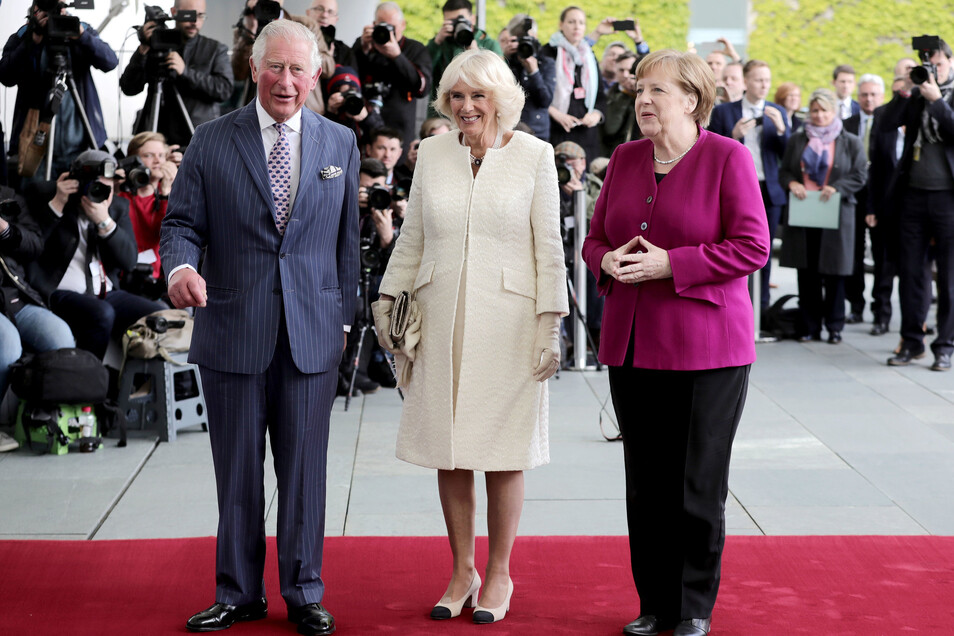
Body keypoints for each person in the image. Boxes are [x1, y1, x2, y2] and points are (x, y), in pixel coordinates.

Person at [160, 19, 359, 635]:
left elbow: (346, 244)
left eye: (299, 69)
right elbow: (179, 225)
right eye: (275, 66)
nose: (286, 80)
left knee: (305, 472)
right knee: (238, 471)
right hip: (232, 330)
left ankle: (304, 593)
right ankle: (239, 592)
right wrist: (181, 269)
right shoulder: (211, 140)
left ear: (315, 74)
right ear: (252, 68)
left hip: (312, 336)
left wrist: (346, 323)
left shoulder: (340, 144)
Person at [373, 49, 567, 625]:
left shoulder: (535, 156)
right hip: (438, 318)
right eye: (456, 96)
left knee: (504, 453)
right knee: (449, 449)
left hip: (511, 323)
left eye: (477, 96)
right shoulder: (431, 153)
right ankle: (462, 569)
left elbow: (548, 248)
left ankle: (501, 571)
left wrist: (549, 326)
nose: (465, 107)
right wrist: (387, 301)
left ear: (501, 99)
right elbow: (412, 239)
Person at [581, 49, 769, 636]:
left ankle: (691, 607)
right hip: (634, 345)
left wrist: (673, 264)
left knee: (696, 481)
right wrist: (606, 259)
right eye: (640, 89)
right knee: (647, 481)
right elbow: (593, 242)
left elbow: (752, 246)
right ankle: (654, 603)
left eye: (657, 90)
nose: (643, 100)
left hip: (707, 348)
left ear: (691, 99)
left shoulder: (728, 158)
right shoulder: (624, 157)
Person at [27, 151, 166, 360]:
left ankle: (132, 384)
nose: (102, 192)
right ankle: (88, 380)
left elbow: (128, 261)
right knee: (102, 313)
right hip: (58, 291)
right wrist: (57, 204)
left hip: (106, 291)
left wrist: (105, 223)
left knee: (159, 314)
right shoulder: (50, 195)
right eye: (96, 184)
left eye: (108, 185)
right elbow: (31, 246)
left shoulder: (117, 207)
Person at [880, 38, 954, 371]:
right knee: (911, 272)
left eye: (937, 62)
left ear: (950, 62)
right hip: (912, 195)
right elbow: (886, 123)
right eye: (928, 62)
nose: (932, 68)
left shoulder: (941, 96)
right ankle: (912, 341)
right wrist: (907, 89)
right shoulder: (917, 91)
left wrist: (937, 101)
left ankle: (945, 346)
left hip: (948, 198)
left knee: (949, 276)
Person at [779, 88, 867, 343]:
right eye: (815, 110)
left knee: (835, 272)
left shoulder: (849, 141)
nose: (819, 115)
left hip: (836, 213)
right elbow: (784, 171)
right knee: (807, 273)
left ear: (834, 112)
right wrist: (792, 183)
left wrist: (838, 187)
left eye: (824, 110)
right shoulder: (798, 139)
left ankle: (835, 326)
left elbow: (860, 174)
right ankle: (809, 326)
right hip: (805, 212)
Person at [0, 1, 118, 180]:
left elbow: (110, 62)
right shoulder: (24, 35)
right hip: (34, 149)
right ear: (35, 10)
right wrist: (33, 41)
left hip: (80, 147)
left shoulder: (80, 30)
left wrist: (80, 35)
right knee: (37, 202)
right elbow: (6, 76)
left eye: (59, 7)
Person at [709, 59, 789, 316]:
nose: (764, 85)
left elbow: (789, 156)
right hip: (734, 190)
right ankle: (735, 308)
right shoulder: (724, 112)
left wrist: (781, 130)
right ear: (745, 81)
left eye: (767, 80)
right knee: (733, 248)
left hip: (768, 188)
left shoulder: (777, 110)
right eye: (758, 80)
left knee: (763, 251)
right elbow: (711, 150)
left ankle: (762, 309)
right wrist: (732, 136)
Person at [0, 185, 76, 417]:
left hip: (15, 296)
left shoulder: (8, 196)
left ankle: (43, 418)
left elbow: (35, 245)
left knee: (61, 337)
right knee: (8, 343)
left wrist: (4, 229)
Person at [119, 0, 233, 148]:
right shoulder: (154, 44)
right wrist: (143, 49)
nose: (195, 21)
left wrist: (185, 72)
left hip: (196, 137)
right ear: (174, 13)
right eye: (189, 15)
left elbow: (224, 90)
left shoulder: (215, 49)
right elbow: (129, 88)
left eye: (201, 16)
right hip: (156, 137)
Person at [352, 2, 432, 155]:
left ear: (403, 25)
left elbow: (422, 88)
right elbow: (350, 75)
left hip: (399, 132)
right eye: (382, 26)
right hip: (364, 128)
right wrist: (362, 49)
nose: (387, 32)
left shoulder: (415, 49)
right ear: (374, 24)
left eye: (392, 27)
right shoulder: (364, 45)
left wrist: (397, 56)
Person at [232, 0, 335, 112]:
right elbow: (238, 74)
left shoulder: (306, 24)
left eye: (296, 68)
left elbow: (328, 68)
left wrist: (303, 50)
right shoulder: (245, 30)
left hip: (308, 108)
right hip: (259, 110)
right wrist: (249, 32)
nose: (286, 81)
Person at [844, 74, 886, 324]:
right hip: (853, 196)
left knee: (882, 255)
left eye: (873, 94)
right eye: (864, 95)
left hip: (881, 196)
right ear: (858, 98)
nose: (869, 99)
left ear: (881, 97)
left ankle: (881, 310)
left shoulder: (890, 123)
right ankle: (856, 306)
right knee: (853, 253)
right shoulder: (847, 123)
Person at [542, 6, 607, 163]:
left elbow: (600, 97)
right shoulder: (548, 51)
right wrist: (556, 114)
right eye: (571, 22)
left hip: (586, 133)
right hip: (557, 129)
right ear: (561, 24)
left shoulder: (589, 55)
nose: (577, 26)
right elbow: (537, 91)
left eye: (581, 23)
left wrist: (596, 115)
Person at [115, 132, 178, 280]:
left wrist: (166, 192)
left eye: (161, 156)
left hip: (155, 279)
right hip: (120, 275)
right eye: (149, 155)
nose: (157, 161)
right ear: (133, 160)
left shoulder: (169, 194)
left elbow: (167, 235)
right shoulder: (120, 193)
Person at [426, 0, 503, 116]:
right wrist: (437, 42)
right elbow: (423, 70)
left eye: (461, 19)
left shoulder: (489, 43)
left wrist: (476, 53)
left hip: (478, 113)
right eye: (452, 21)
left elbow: (501, 79)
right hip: (442, 115)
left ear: (472, 19)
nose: (457, 24)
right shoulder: (440, 43)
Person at [502, 14, 555, 141]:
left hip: (537, 132)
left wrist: (534, 72)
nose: (524, 43)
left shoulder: (546, 62)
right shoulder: (508, 62)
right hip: (509, 129)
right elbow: (500, 93)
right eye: (519, 39)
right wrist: (505, 60)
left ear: (535, 37)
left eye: (527, 38)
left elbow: (545, 101)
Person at [601, 50, 640, 155]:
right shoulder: (608, 96)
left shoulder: (646, 95)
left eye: (630, 70)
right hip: (614, 154)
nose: (626, 75)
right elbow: (611, 128)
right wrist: (625, 95)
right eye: (621, 70)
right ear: (615, 71)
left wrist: (638, 92)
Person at [306, 0, 356, 68]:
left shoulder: (346, 53)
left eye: (330, 12)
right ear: (308, 13)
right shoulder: (293, 40)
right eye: (319, 9)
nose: (324, 15)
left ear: (336, 19)